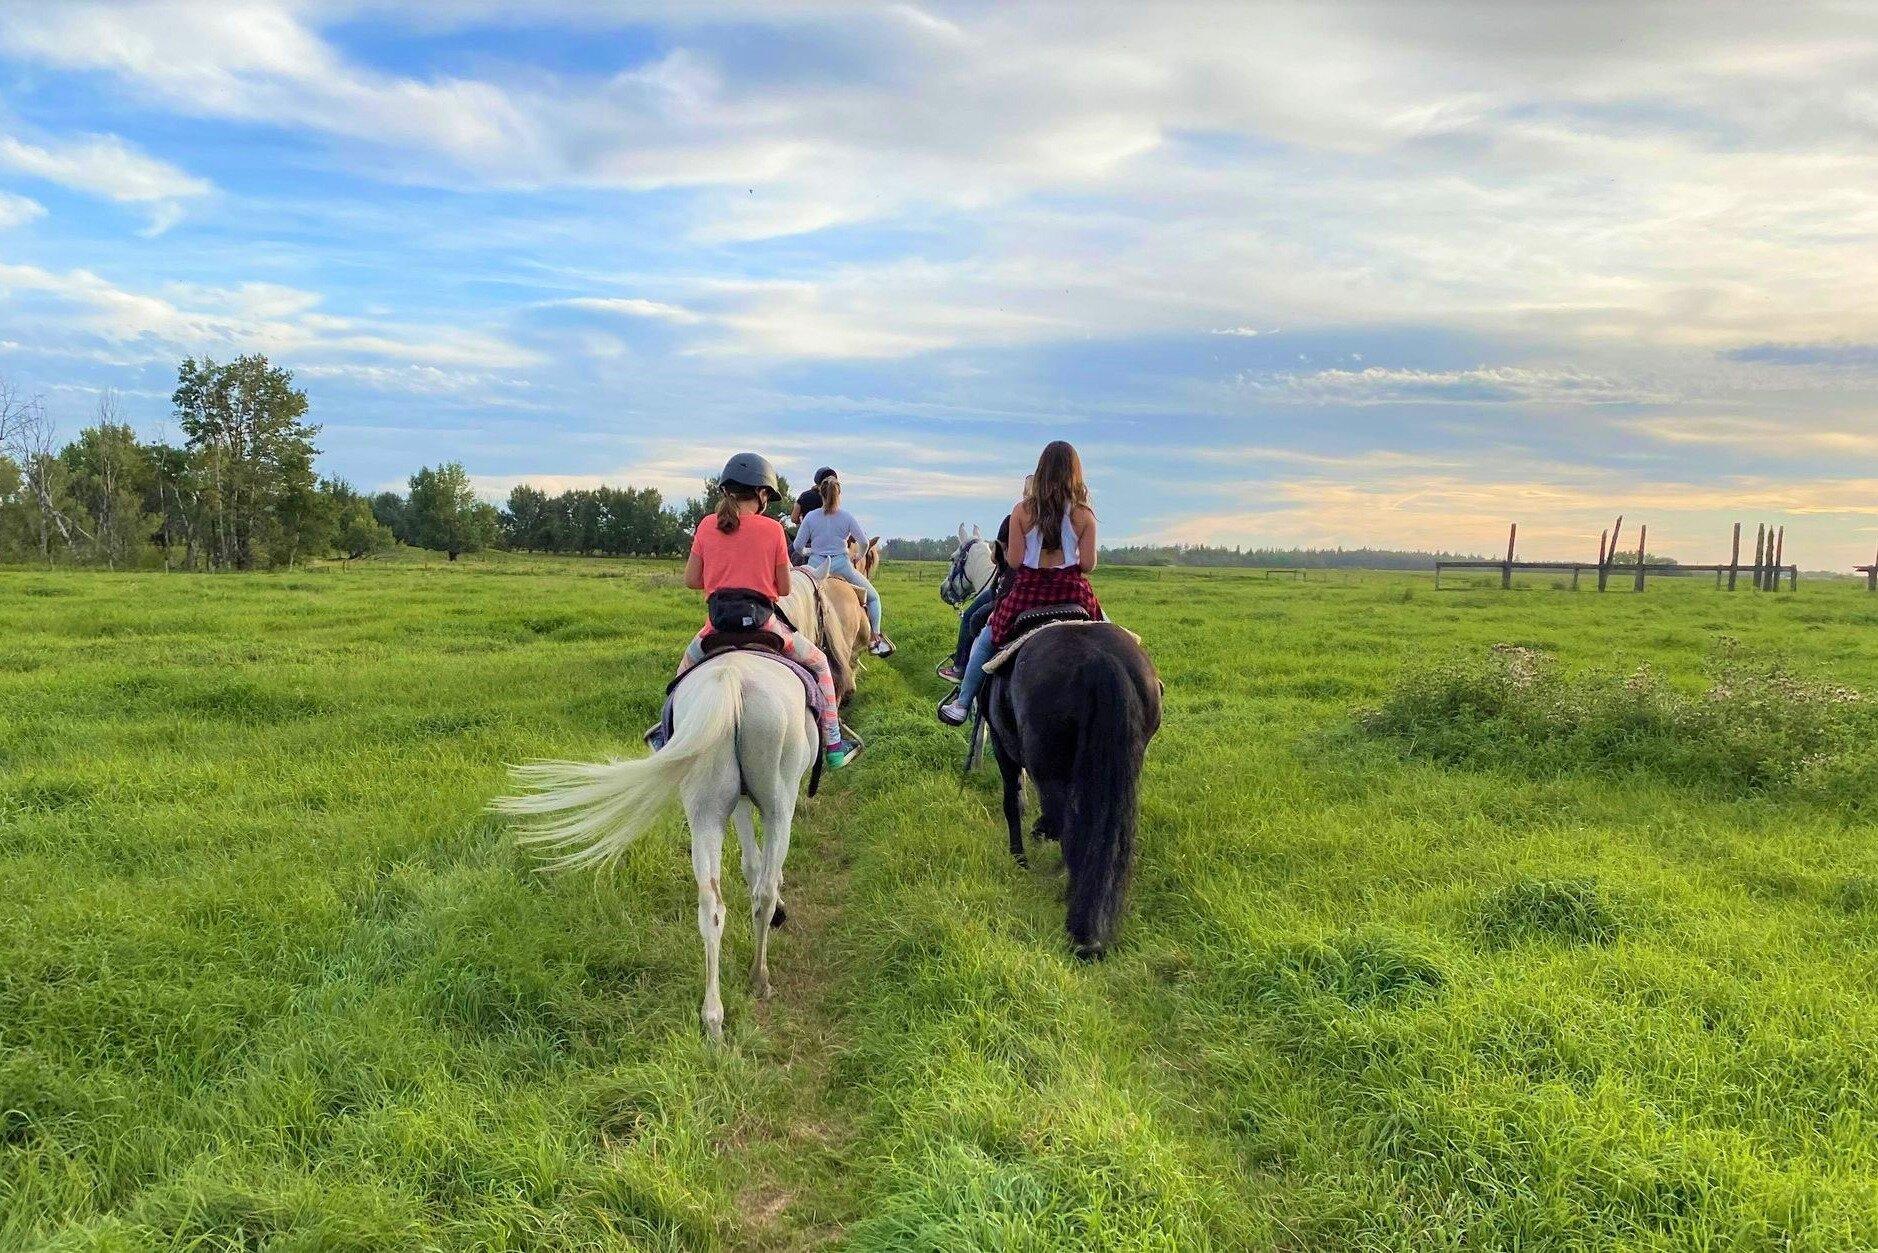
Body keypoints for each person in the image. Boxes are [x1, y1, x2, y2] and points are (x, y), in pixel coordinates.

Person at [670, 452, 864, 768]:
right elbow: (785, 589)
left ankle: (667, 736)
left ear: (724, 490)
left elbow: (692, 580)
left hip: (716, 628)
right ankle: (833, 745)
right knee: (820, 664)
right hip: (765, 625)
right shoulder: (772, 529)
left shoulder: (706, 525)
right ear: (762, 495)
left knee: (682, 675)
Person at [938, 442, 1100, 726]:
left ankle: (962, 703)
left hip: (1029, 593)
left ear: (1041, 471)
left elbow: (1013, 561)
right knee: (1109, 630)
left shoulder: (1022, 511)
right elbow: (1087, 565)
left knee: (987, 637)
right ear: (1076, 473)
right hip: (1071, 591)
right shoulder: (1084, 515)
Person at [795, 471, 896, 657]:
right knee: (874, 598)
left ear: (821, 494)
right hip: (842, 565)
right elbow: (864, 542)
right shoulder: (846, 517)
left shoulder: (810, 517)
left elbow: (797, 546)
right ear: (838, 495)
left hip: (816, 567)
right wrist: (859, 556)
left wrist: (808, 552)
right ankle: (875, 640)